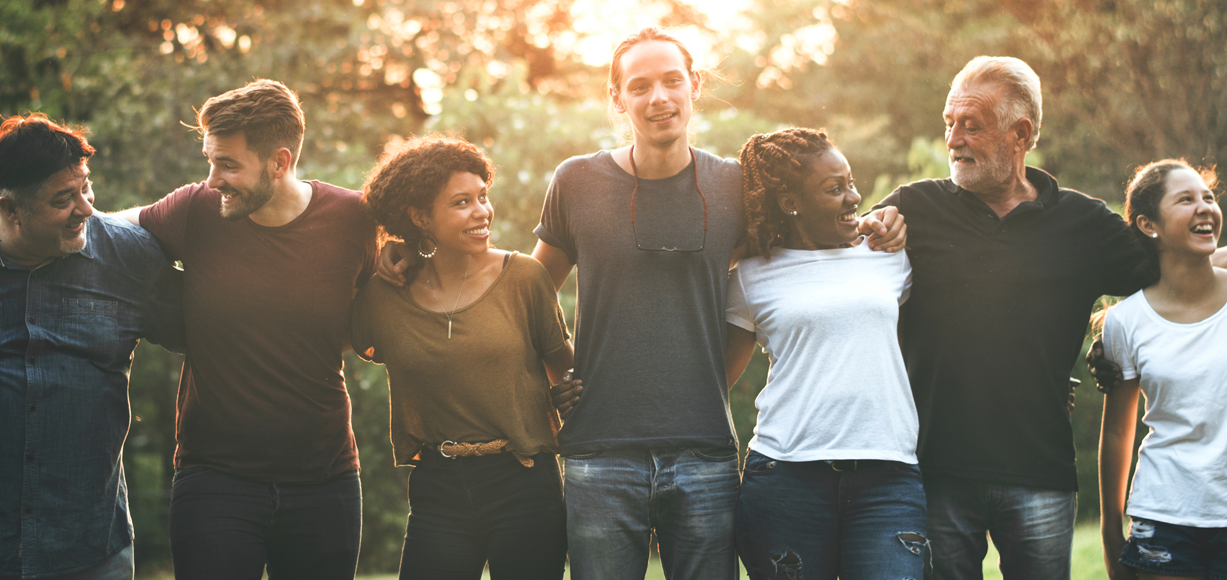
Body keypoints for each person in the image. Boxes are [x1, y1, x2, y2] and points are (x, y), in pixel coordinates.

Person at [376, 27, 906, 579]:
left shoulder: (733, 187)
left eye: (672, 81)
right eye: (640, 86)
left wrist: (873, 222)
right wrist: (418, 252)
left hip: (705, 454)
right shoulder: (577, 181)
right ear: (617, 98)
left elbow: (794, 254)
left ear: (694, 86)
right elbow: (526, 289)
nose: (659, 98)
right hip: (599, 454)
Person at [873, 56, 1149, 579]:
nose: (953, 139)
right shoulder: (914, 206)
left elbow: (1167, 278)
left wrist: (1110, 335)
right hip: (935, 469)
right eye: (948, 123)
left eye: (970, 125)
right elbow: (841, 257)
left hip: (1039, 470)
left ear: (1020, 134)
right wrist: (870, 222)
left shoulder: (1083, 223)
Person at [111, 79, 377, 580]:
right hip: (215, 481)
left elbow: (372, 313)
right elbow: (107, 234)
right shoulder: (196, 210)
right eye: (211, 160)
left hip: (325, 480)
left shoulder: (353, 220)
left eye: (228, 164)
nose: (213, 179)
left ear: (279, 162)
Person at [351, 136, 574, 579]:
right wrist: (386, 252)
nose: (482, 212)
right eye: (461, 202)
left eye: (482, 197)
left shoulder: (524, 277)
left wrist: (570, 394)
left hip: (524, 481)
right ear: (420, 217)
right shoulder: (384, 293)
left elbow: (565, 369)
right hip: (438, 486)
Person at [724, 128, 927, 579]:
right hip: (786, 479)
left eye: (851, 183)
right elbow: (716, 381)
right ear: (790, 203)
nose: (854, 197)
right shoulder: (751, 276)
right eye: (835, 189)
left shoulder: (889, 256)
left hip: (888, 478)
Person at [0, 115, 183, 580]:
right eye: (63, 199)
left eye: (86, 188)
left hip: (90, 548)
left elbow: (218, 330)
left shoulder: (128, 256)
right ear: (9, 209)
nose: (85, 208)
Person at [1096, 160, 1227, 580]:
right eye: (1186, 199)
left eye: (1209, 197)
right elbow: (1117, 432)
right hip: (1162, 517)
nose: (1205, 207)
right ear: (1149, 225)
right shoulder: (1125, 321)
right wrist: (1111, 529)